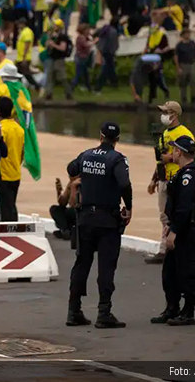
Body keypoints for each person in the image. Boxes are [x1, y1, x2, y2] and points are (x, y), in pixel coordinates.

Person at [65, 121, 132, 329]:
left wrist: (81, 182)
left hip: (85, 218)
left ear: (100, 136)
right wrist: (128, 207)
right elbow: (124, 184)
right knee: (106, 266)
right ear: (117, 140)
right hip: (107, 220)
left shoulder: (86, 155)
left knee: (81, 264)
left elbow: (71, 168)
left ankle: (73, 311)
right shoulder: (117, 159)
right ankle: (104, 312)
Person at [151, 135, 195, 326]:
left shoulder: (190, 176)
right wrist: (168, 224)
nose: (171, 153)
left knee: (189, 271)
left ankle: (188, 311)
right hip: (177, 227)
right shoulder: (181, 173)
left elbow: (185, 208)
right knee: (170, 272)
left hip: (188, 231)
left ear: (180, 152)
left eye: (174, 150)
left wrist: (173, 231)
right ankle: (171, 307)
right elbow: (173, 205)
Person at [145, 101, 195, 265]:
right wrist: (154, 180)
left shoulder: (184, 133)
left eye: (166, 112)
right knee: (164, 216)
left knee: (177, 214)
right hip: (164, 179)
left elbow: (193, 156)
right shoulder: (164, 134)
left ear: (174, 114)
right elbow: (160, 160)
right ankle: (165, 247)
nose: (163, 115)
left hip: (178, 178)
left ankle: (172, 248)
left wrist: (171, 157)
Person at [0, 96, 24, 222]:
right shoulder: (19, 129)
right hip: (16, 173)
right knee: (11, 205)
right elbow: (22, 152)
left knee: (5, 208)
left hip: (2, 174)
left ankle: (9, 235)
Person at [41, 19, 71, 101]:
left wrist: (53, 45)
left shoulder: (62, 37)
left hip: (59, 59)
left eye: (56, 26)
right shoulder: (53, 36)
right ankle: (49, 94)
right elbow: (47, 45)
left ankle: (68, 93)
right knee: (50, 77)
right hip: (52, 58)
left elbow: (62, 48)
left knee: (62, 77)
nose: (54, 27)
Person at [173, 29, 195, 106]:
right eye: (186, 34)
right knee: (183, 83)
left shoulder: (192, 43)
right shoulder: (179, 45)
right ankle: (183, 99)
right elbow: (176, 56)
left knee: (193, 81)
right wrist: (178, 67)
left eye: (188, 33)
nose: (188, 35)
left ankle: (194, 98)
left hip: (192, 64)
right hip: (183, 65)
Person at [50, 174, 81, 241]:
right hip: (72, 212)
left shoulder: (82, 183)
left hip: (81, 213)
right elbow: (63, 203)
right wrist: (59, 192)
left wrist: (73, 188)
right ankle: (65, 230)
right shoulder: (71, 183)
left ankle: (70, 232)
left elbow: (73, 204)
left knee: (70, 211)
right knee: (54, 209)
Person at [95, 17, 119, 92]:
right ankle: (98, 87)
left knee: (110, 68)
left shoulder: (105, 28)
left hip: (102, 49)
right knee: (106, 69)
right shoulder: (114, 31)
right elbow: (114, 44)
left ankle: (114, 82)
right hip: (109, 52)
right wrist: (114, 51)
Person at [15, 18, 39, 90]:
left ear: (23, 24)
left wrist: (24, 57)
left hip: (24, 57)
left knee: (27, 74)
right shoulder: (22, 32)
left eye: (19, 24)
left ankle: (37, 86)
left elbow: (27, 45)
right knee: (18, 74)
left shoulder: (27, 32)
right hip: (20, 57)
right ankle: (20, 88)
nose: (18, 26)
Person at [69, 23, 93, 97]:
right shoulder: (81, 38)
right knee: (78, 74)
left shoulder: (85, 37)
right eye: (87, 30)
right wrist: (94, 41)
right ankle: (71, 88)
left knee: (86, 74)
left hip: (84, 58)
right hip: (81, 58)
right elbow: (85, 45)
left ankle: (89, 88)